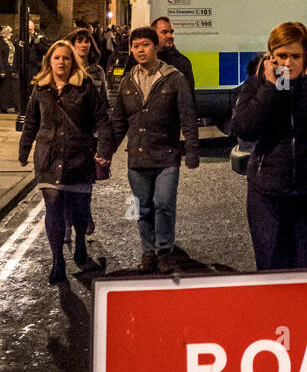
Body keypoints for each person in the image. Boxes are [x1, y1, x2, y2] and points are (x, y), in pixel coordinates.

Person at [18, 39, 113, 284]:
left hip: (78, 157)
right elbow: (31, 121)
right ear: (49, 61)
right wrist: (24, 150)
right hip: (48, 157)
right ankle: (57, 259)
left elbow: (102, 120)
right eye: (57, 57)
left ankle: (80, 240)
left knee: (79, 209)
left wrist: (103, 149)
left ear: (73, 62)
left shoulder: (86, 87)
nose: (61, 62)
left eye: (66, 58)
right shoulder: (40, 88)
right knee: (53, 206)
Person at [111, 25, 199, 273]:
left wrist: (191, 150)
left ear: (156, 47)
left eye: (145, 45)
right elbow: (118, 121)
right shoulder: (128, 81)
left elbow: (188, 116)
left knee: (164, 204)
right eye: (136, 46)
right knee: (141, 207)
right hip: (137, 158)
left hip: (167, 155)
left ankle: (164, 251)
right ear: (131, 49)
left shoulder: (174, 78)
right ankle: (147, 251)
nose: (140, 50)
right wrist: (105, 153)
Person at [230, 23, 307, 270]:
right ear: (270, 56)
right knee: (270, 268)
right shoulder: (258, 81)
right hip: (266, 193)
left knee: (306, 271)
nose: (288, 63)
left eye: (295, 56)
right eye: (281, 56)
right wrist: (270, 87)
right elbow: (243, 128)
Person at [63, 28, 110, 242]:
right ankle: (65, 224)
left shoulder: (97, 71)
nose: (84, 45)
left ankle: (85, 213)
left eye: (86, 41)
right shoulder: (63, 68)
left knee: (85, 182)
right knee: (62, 182)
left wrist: (104, 137)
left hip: (88, 136)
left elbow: (105, 102)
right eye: (79, 41)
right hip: (64, 137)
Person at [122, 16, 195, 92]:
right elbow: (125, 90)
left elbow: (187, 97)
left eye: (171, 32)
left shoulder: (181, 62)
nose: (170, 36)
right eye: (164, 32)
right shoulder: (138, 59)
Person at [0, 25, 16, 112]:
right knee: (3, 88)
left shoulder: (10, 42)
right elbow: (0, 57)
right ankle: (3, 106)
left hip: (10, 67)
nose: (11, 34)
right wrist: (1, 70)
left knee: (8, 87)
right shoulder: (1, 43)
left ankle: (8, 105)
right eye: (10, 33)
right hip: (4, 67)